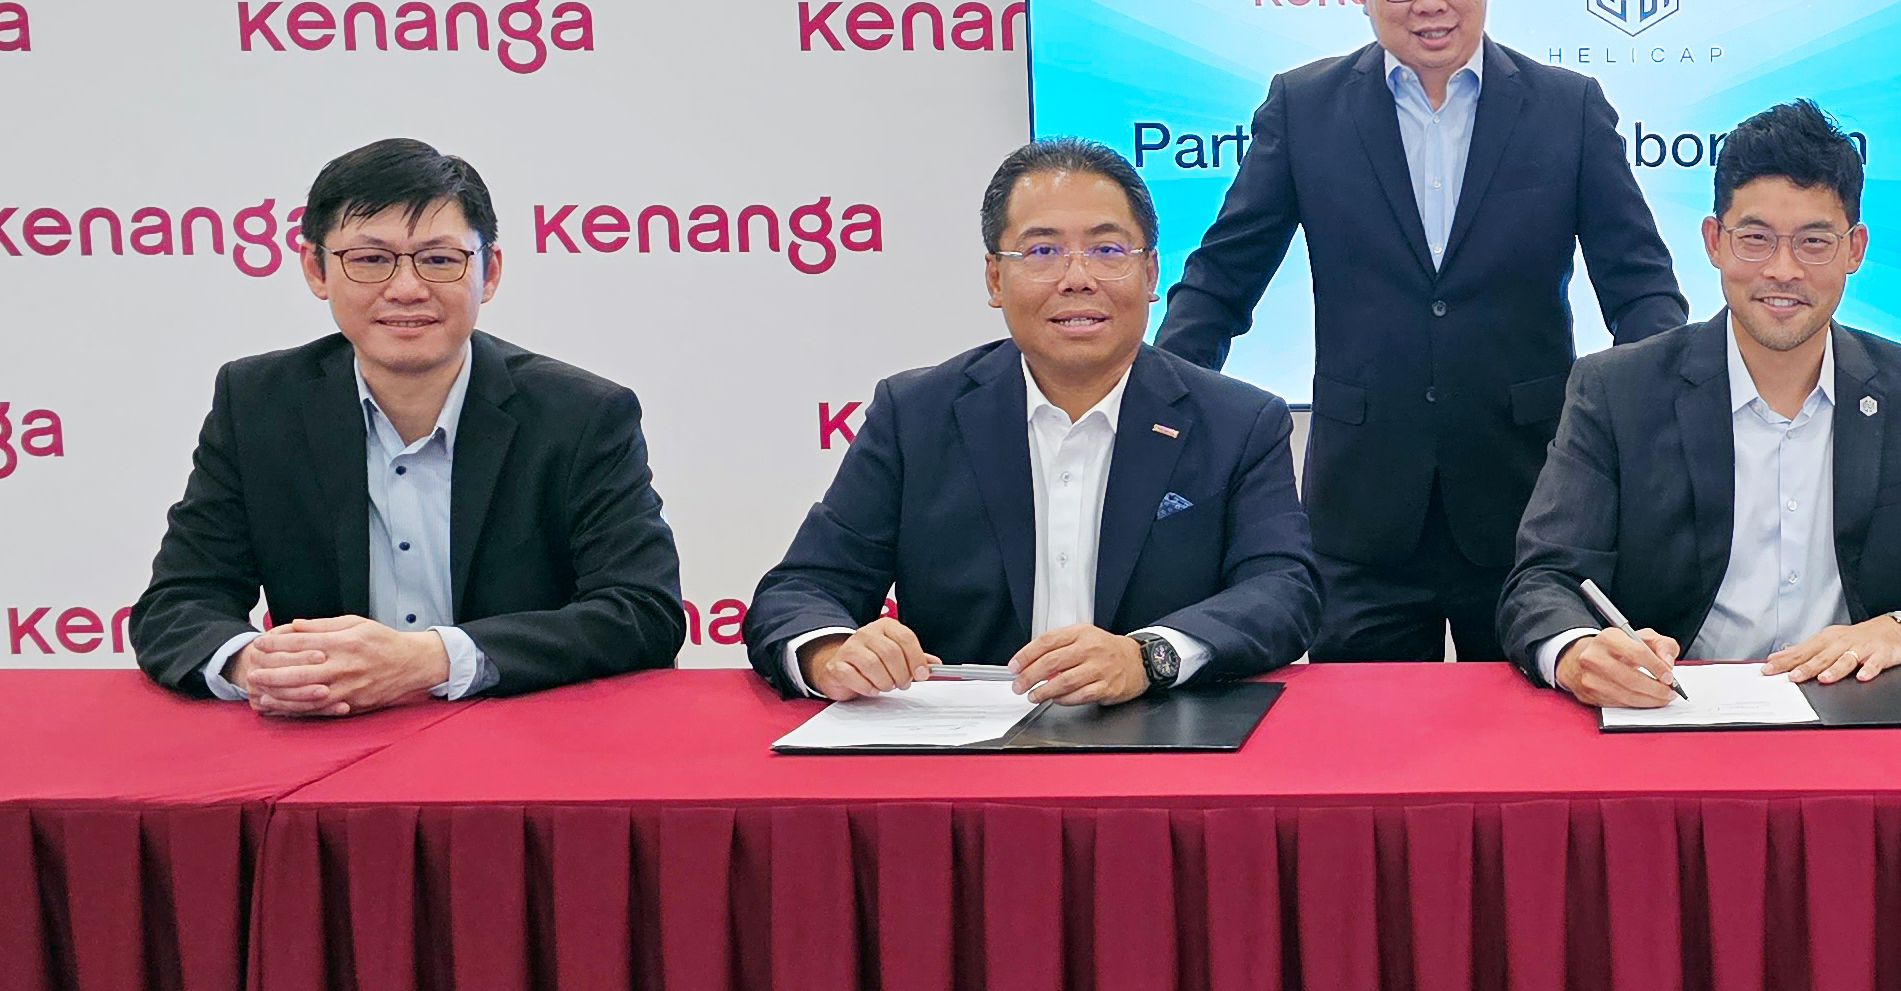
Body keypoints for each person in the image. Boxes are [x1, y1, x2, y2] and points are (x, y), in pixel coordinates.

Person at [1156, 0, 1686, 662]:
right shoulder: (1304, 107)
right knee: (1360, 738)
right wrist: (1158, 410)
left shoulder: (1566, 108)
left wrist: (1657, 437)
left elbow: (1641, 291)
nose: (1429, 1)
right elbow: (1221, 281)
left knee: (1533, 732)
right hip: (1359, 515)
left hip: (1531, 511)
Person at [747, 140, 1318, 703]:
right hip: (961, 741)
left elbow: (1282, 591)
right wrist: (831, 653)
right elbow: (802, 589)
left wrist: (1149, 656)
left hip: (1165, 733)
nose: (1077, 277)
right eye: (1042, 251)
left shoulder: (1239, 422)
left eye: (1107, 250)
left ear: (1150, 274)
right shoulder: (916, 414)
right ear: (995, 279)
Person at [1499, 100, 1901, 708]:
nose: (1782, 270)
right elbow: (1542, 581)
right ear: (1713, 242)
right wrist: (1576, 650)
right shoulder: (1617, 391)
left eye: (1813, 242)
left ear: (1854, 250)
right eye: (1755, 240)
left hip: (1861, 714)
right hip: (1673, 712)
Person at [133, 137, 686, 709]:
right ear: (316, 269)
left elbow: (642, 611)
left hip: (524, 732)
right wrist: (261, 666)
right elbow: (178, 604)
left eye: (439, 260)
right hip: (327, 735)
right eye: (370, 259)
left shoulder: (582, 414)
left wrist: (430, 660)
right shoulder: (257, 403)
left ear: (489, 273)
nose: (406, 289)